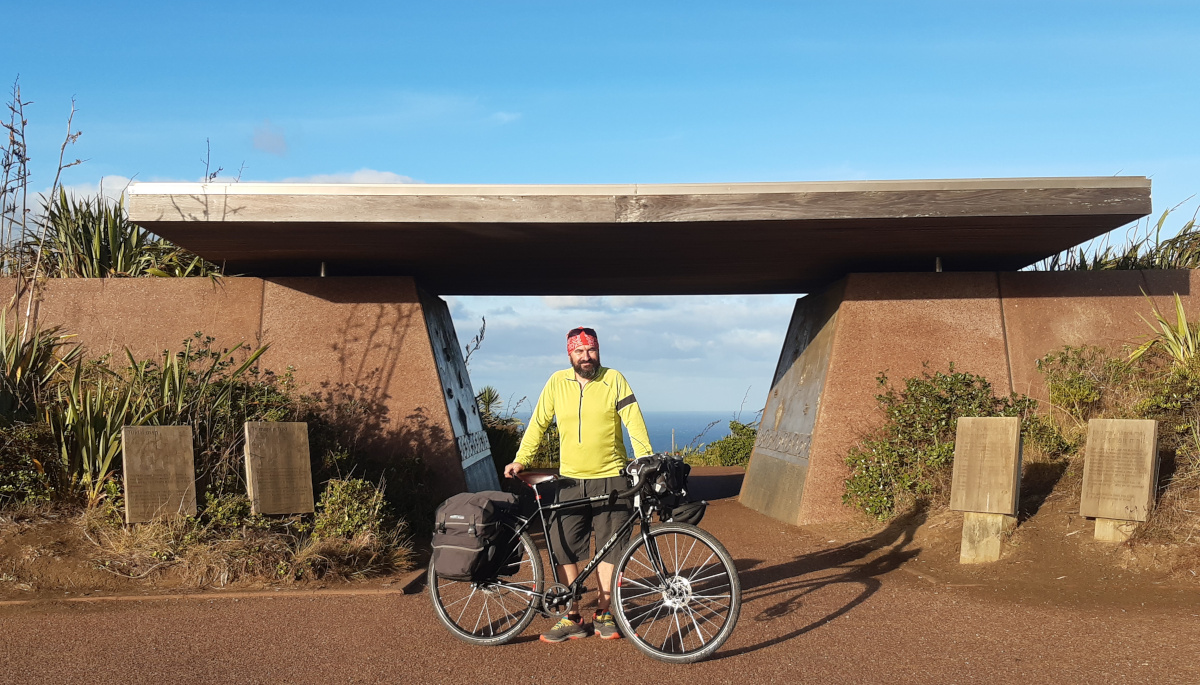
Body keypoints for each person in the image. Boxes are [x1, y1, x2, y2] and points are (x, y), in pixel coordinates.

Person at [503, 326, 653, 643]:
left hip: (611, 476)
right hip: (569, 479)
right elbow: (538, 423)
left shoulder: (614, 379)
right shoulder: (557, 382)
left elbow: (634, 421)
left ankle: (604, 613)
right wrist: (521, 459)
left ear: (598, 351)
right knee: (562, 546)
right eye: (580, 351)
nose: (587, 357)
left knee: (611, 547)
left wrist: (644, 458)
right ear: (570, 354)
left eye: (592, 350)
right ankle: (571, 615)